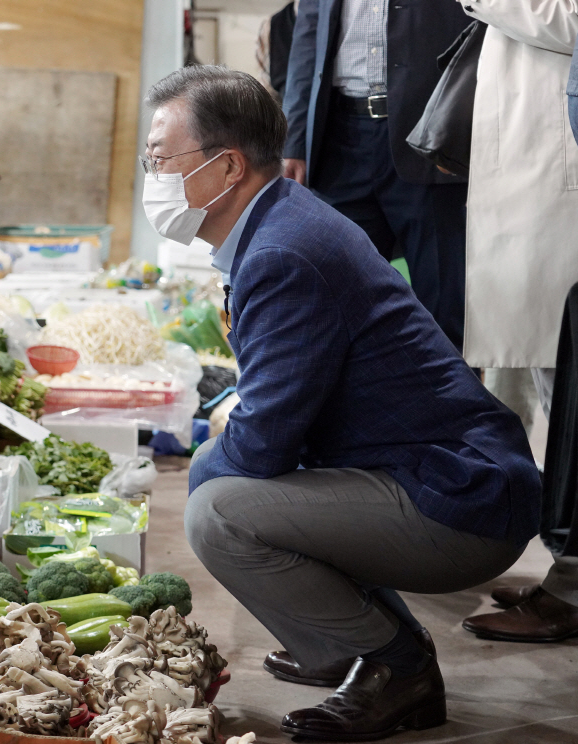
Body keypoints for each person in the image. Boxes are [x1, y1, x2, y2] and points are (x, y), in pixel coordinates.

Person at [141, 66, 540, 740]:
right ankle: (361, 647)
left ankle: (395, 667)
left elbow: (265, 442)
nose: (150, 177)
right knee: (231, 479)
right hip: (429, 473)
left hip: (458, 500)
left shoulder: (282, 253)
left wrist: (212, 463)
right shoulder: (281, 220)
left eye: (159, 159)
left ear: (227, 165)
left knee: (218, 512)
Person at [457, 2, 578, 643]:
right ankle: (567, 575)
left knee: (572, 401)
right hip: (527, 165)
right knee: (556, 396)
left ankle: (574, 588)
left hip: (557, 171)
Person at [282, 0, 470, 351]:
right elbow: (309, 32)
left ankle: (450, 405)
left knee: (445, 307)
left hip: (428, 133)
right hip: (340, 139)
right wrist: (293, 139)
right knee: (331, 299)